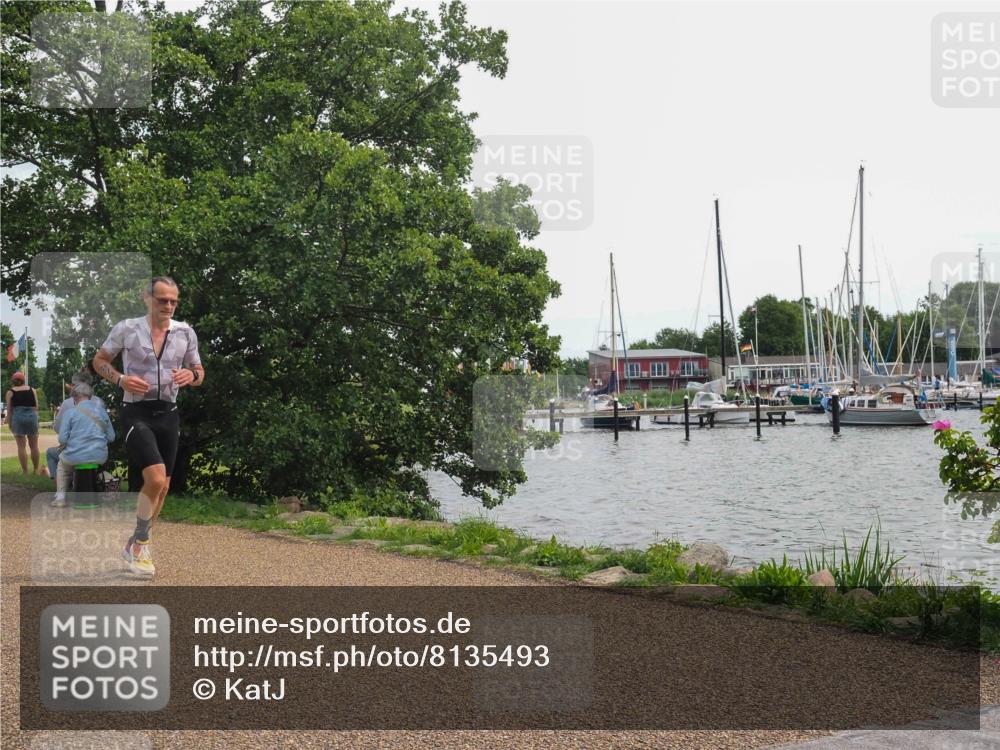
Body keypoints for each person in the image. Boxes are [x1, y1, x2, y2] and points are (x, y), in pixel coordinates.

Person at [93, 276, 205, 577]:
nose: (168, 305)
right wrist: (120, 379)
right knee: (155, 479)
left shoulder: (185, 332)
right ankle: (142, 544)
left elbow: (199, 371)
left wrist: (191, 376)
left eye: (173, 301)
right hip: (136, 412)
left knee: (164, 487)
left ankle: (135, 543)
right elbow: (100, 361)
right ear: (147, 298)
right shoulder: (127, 328)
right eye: (162, 300)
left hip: (168, 413)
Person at [52, 383, 115, 507]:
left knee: (62, 466)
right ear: (90, 396)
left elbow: (62, 439)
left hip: (75, 456)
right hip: (99, 456)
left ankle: (60, 498)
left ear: (74, 397)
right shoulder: (102, 412)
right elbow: (111, 437)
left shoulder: (70, 412)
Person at [47, 364, 105, 481]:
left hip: (75, 451)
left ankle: (59, 484)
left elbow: (57, 428)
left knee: (50, 453)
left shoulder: (68, 403)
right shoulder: (99, 402)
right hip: (98, 451)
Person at [4, 371, 42, 475]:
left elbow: (9, 410)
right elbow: (36, 406)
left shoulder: (10, 392)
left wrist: (10, 423)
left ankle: (25, 471)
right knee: (34, 446)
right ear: (23, 380)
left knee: (21, 447)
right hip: (32, 417)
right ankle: (35, 470)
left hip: (18, 417)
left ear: (13, 381)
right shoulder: (32, 390)